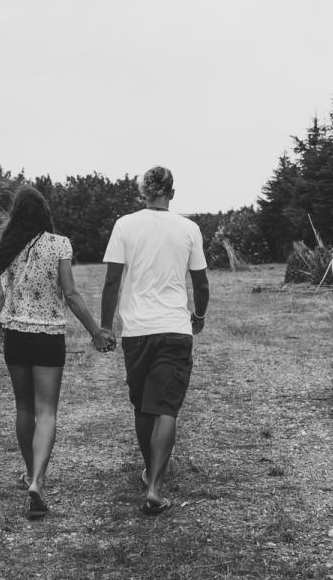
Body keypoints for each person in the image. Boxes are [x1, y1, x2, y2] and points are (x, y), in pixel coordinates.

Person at [0, 186, 116, 520]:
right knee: (47, 411)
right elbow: (70, 293)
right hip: (47, 337)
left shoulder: (6, 248)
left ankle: (29, 473)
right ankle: (38, 479)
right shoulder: (59, 244)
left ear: (16, 215)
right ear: (44, 213)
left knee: (24, 408)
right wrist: (96, 331)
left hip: (15, 337)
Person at [101, 166, 209, 515]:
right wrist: (200, 316)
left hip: (137, 331)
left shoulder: (124, 225)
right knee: (165, 408)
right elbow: (202, 284)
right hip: (175, 329)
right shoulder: (189, 229)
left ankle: (150, 471)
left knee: (144, 406)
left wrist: (105, 326)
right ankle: (154, 486)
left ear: (143, 193)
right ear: (171, 194)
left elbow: (112, 282)